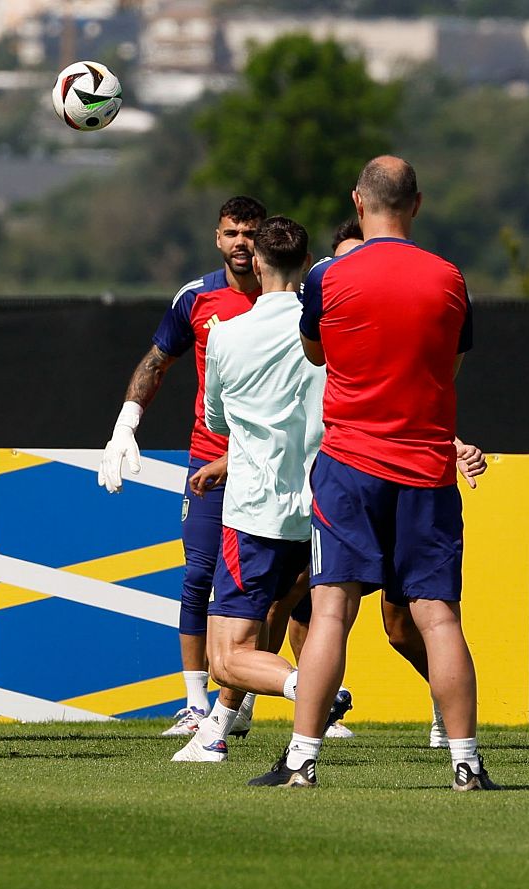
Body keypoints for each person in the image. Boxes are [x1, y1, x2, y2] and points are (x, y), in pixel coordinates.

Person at [251, 156, 495, 790]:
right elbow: (452, 366)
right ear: (417, 204)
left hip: (349, 465)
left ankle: (302, 760)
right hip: (426, 465)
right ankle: (465, 764)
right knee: (438, 616)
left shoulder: (329, 276)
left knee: (331, 609)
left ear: (359, 203)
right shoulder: (450, 278)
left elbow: (315, 353)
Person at [169, 216, 351, 763]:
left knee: (227, 657)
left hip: (255, 513)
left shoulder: (227, 333)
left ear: (260, 264)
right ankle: (216, 732)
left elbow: (216, 420)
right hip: (321, 507)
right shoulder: (332, 333)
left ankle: (308, 689)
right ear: (305, 265)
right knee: (294, 623)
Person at [97, 196, 266, 736]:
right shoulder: (196, 297)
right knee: (198, 577)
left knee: (278, 587)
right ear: (217, 238)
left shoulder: (290, 297)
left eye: (250, 232)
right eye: (231, 232)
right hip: (206, 462)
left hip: (271, 462)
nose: (241, 242)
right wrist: (125, 424)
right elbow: (156, 361)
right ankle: (197, 704)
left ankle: (241, 698)